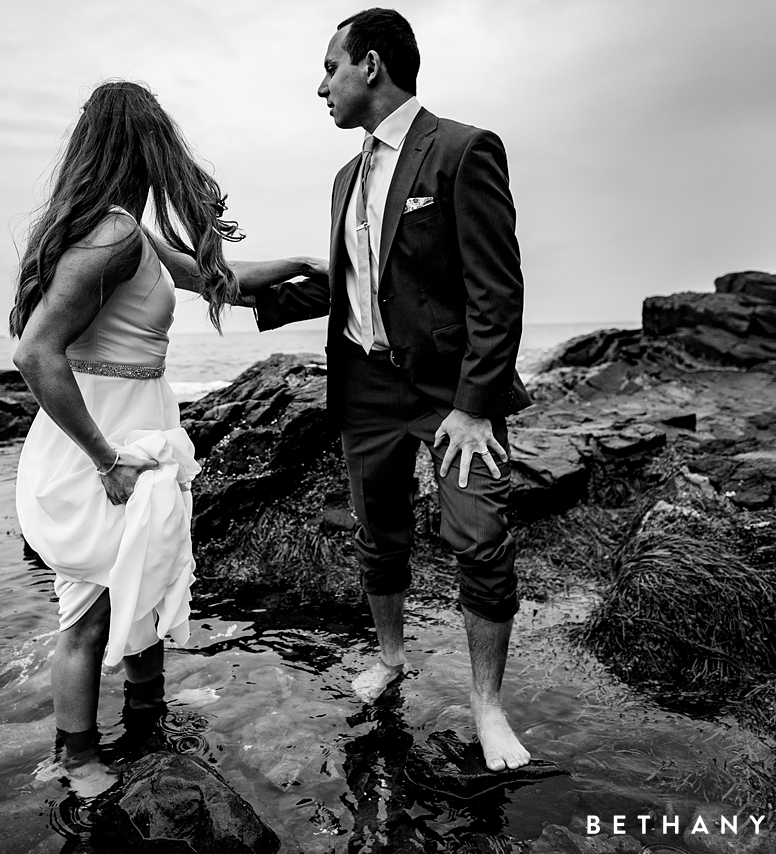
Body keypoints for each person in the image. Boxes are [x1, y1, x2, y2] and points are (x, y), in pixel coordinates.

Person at [10, 80, 325, 796]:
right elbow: (35, 354)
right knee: (88, 607)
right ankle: (77, 755)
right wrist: (105, 458)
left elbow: (220, 281)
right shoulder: (113, 235)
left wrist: (304, 265)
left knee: (145, 586)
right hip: (104, 440)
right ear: (140, 145)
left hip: (141, 425)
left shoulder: (130, 230)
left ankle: (148, 720)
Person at [245, 8, 533, 772]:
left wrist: (476, 404)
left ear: (370, 65)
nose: (321, 87)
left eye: (330, 68)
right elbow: (359, 286)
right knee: (378, 533)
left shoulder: (464, 149)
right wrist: (243, 291)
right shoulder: (345, 175)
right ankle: (392, 656)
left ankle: (487, 706)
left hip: (452, 393)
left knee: (480, 538)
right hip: (364, 384)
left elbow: (496, 291)